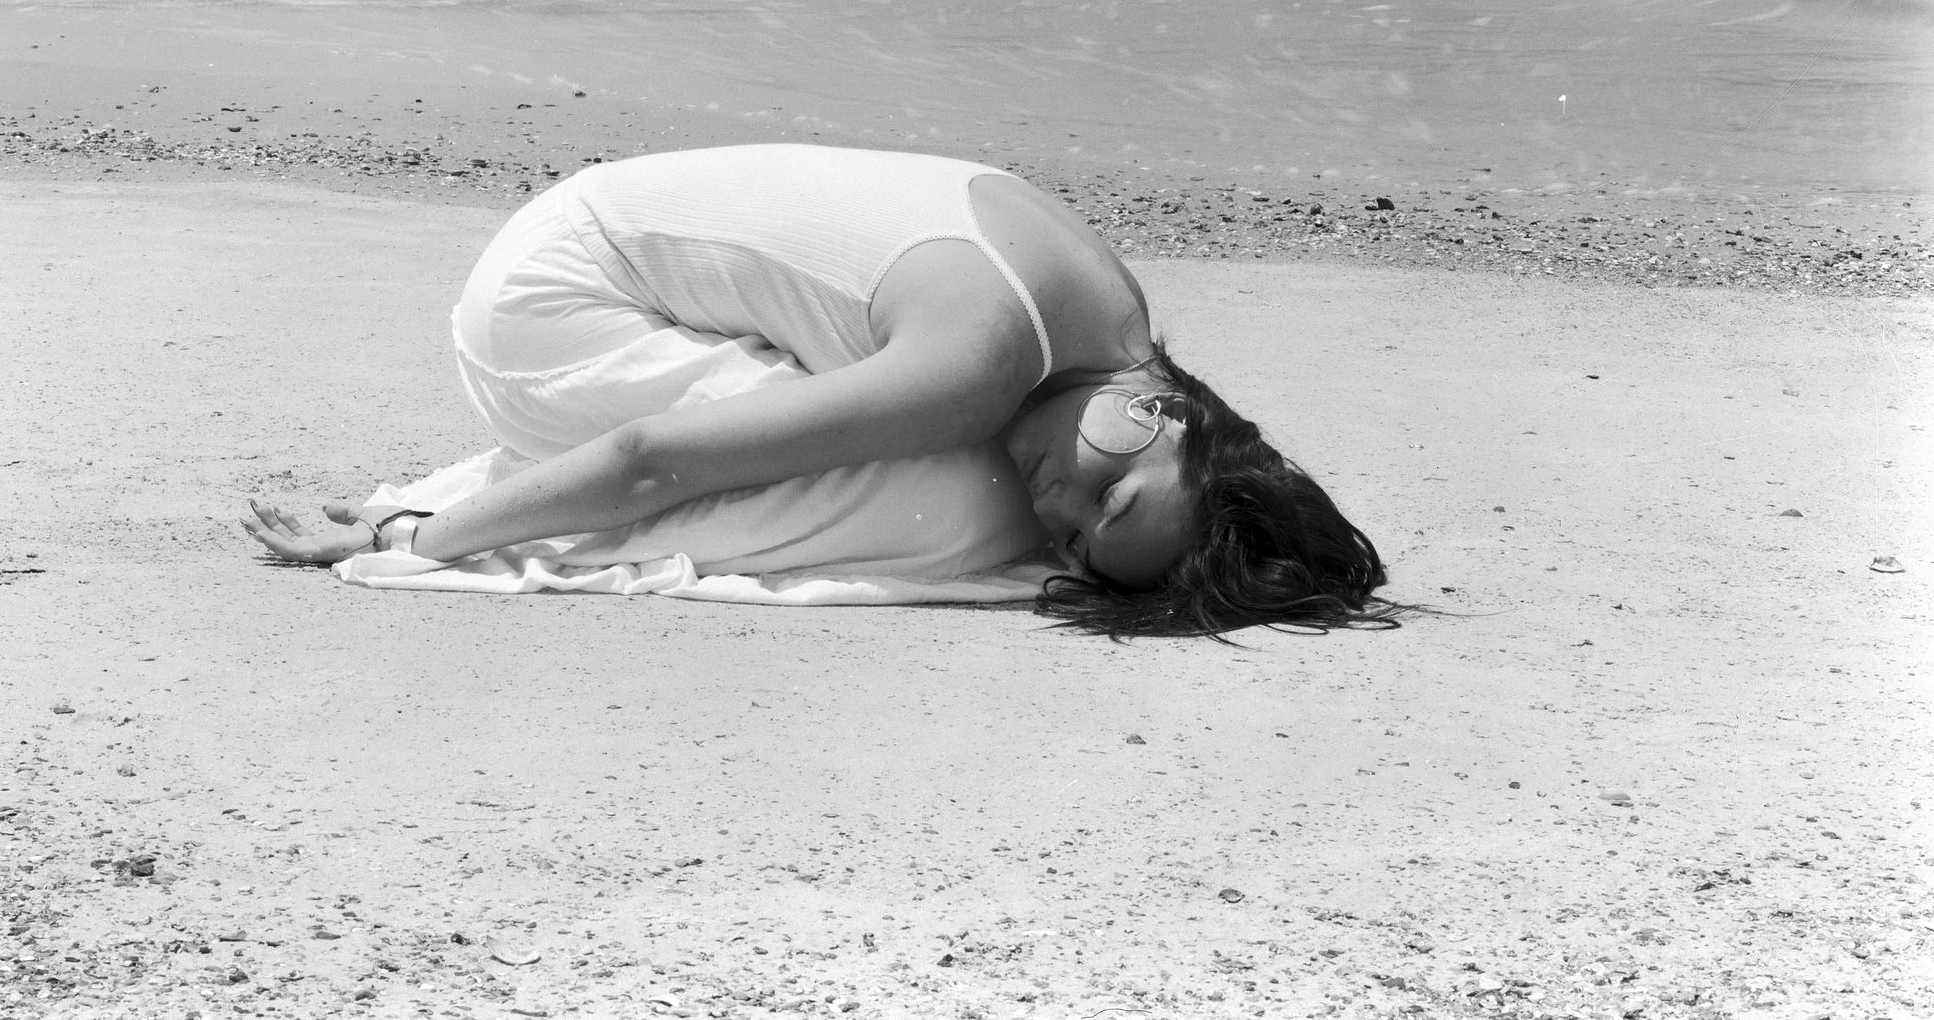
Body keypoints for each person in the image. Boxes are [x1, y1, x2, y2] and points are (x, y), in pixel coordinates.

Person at [244, 144, 1401, 637]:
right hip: (547, 318)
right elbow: (651, 457)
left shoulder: (1113, 313)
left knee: (956, 493)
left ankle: (497, 494)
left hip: (575, 234)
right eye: (1112, 499)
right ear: (1168, 415)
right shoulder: (982, 364)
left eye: (1079, 534)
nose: (1061, 507)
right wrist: (415, 531)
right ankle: (470, 504)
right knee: (952, 511)